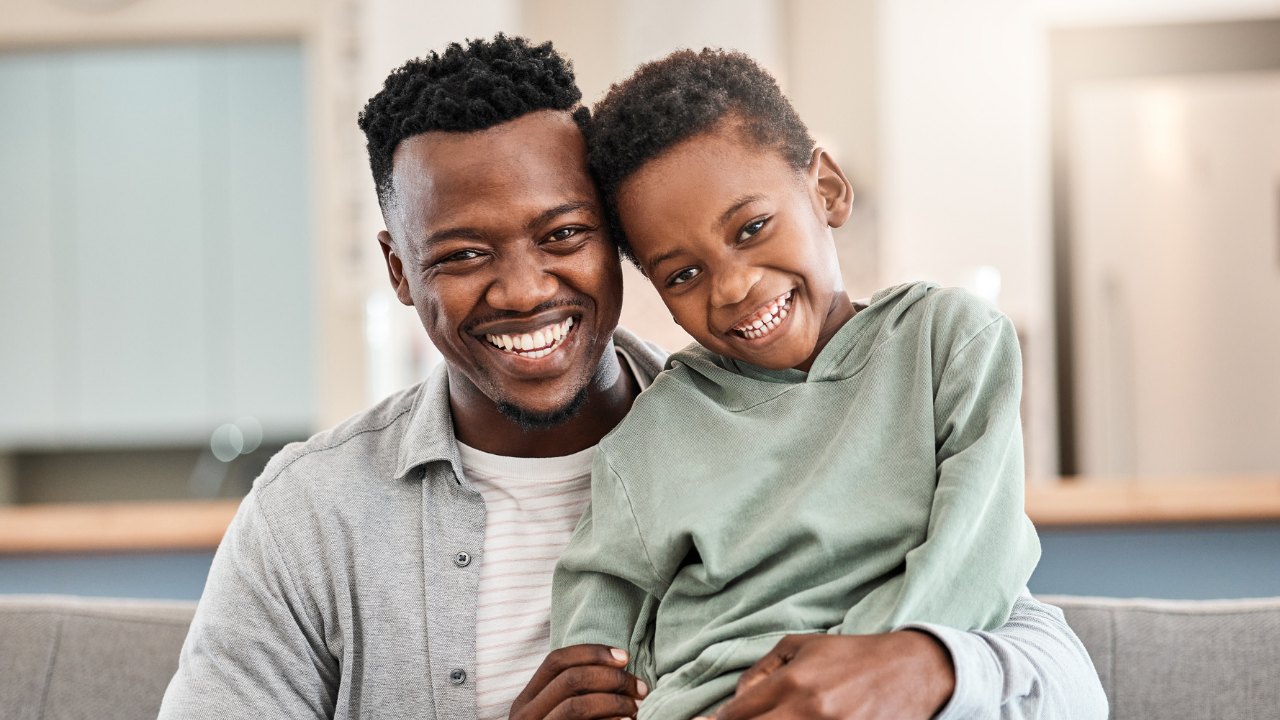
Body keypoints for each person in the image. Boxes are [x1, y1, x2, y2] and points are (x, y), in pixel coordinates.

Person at [158, 34, 1108, 720]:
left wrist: (923, 665)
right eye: (461, 254)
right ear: (400, 271)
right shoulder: (310, 517)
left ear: (617, 244)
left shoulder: (833, 400)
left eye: (564, 234)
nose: (524, 290)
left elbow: (1056, 670)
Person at [549, 48, 1041, 720]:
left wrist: (860, 672)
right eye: (683, 274)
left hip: (889, 695)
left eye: (752, 228)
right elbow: (596, 627)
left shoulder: (947, 342)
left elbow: (976, 561)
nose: (733, 286)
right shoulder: (652, 435)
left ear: (827, 191)